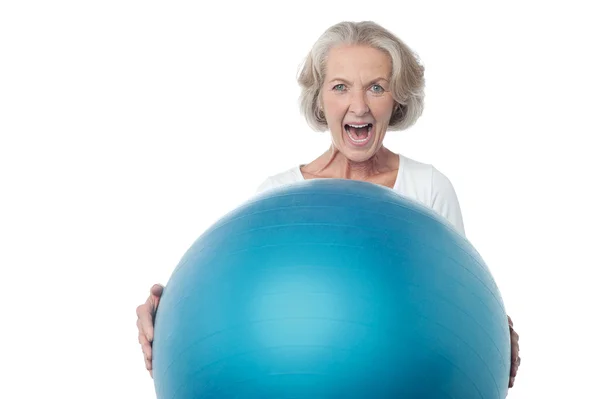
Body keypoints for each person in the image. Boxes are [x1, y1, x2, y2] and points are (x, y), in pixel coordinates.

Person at [136, 20, 521, 389]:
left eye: (376, 87)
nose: (358, 107)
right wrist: (168, 315)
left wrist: (494, 334)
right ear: (319, 99)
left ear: (397, 99)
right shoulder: (279, 193)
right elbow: (237, 304)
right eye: (340, 87)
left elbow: (457, 302)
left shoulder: (429, 187)